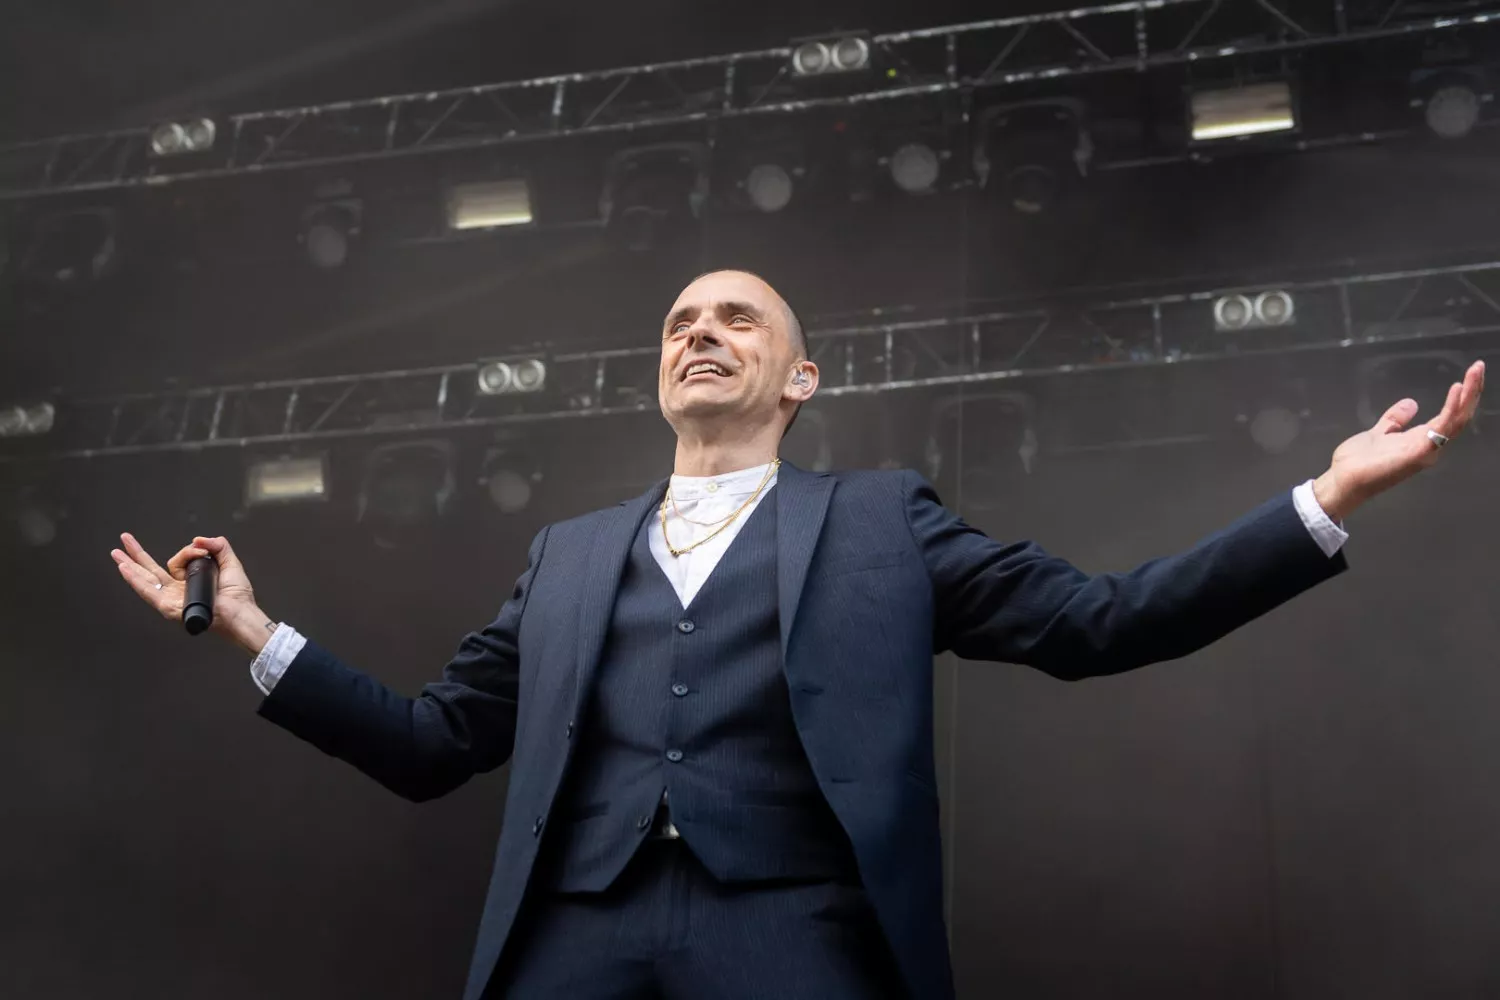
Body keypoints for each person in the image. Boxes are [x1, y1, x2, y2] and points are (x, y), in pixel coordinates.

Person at [112, 270, 1485, 1000]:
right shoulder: (568, 554)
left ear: (800, 376)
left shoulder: (885, 521)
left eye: (737, 318)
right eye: (679, 322)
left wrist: (1322, 501)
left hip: (797, 938)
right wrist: (253, 630)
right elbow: (431, 744)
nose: (701, 333)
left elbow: (1102, 623)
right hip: (570, 940)